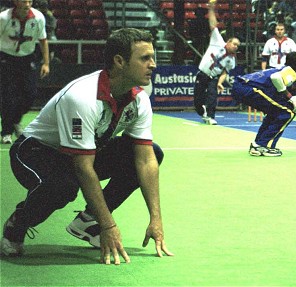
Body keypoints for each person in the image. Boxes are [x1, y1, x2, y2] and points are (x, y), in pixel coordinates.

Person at [0, 28, 174, 265]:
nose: (153, 64)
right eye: (145, 58)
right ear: (120, 61)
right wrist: (109, 225)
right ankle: (16, 226)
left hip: (84, 153)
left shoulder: (140, 100)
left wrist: (156, 219)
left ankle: (87, 220)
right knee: (62, 187)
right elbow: (83, 168)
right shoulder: (82, 97)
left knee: (153, 151)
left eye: (153, 57)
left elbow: (145, 160)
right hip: (35, 151)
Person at [232, 52, 296, 157]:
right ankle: (263, 145)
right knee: (288, 112)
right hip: (248, 88)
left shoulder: (279, 67)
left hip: (240, 86)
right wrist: (290, 97)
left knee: (275, 112)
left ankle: (257, 145)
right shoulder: (291, 71)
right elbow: (275, 78)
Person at [0, 0, 50, 144]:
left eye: (29, 1)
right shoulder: (4, 18)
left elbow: (43, 40)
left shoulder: (38, 17)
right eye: (24, 1)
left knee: (30, 94)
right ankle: (6, 132)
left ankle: (15, 120)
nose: (27, 4)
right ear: (16, 2)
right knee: (8, 96)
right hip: (6, 57)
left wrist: (46, 63)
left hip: (27, 58)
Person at [193, 1, 240, 125]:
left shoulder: (232, 60)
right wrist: (211, 9)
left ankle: (211, 116)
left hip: (213, 77)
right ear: (228, 42)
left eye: (237, 46)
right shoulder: (217, 40)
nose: (236, 47)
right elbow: (213, 24)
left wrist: (220, 82)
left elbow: (225, 72)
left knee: (212, 96)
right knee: (198, 100)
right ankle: (202, 112)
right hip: (202, 73)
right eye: (234, 44)